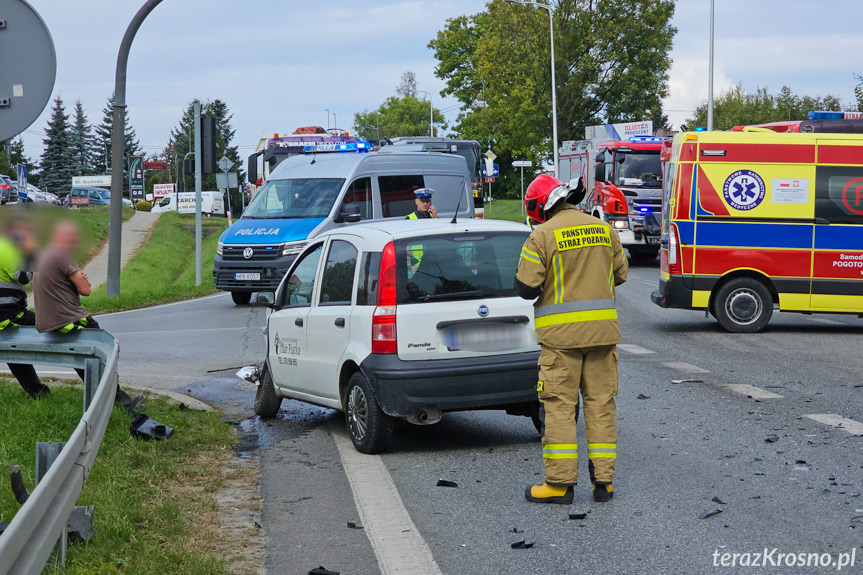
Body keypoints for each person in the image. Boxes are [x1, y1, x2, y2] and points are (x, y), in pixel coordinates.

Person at [515, 174, 628, 504]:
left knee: (560, 409)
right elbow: (620, 275)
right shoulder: (603, 229)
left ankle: (559, 486)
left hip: (561, 341)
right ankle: (604, 483)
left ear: (540, 208)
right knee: (601, 405)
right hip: (603, 336)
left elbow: (526, 287)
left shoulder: (542, 235)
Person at [33, 221, 143, 411]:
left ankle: (106, 398)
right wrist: (82, 279)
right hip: (70, 319)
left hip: (47, 323)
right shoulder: (62, 255)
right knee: (107, 353)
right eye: (72, 239)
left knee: (85, 361)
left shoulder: (43, 254)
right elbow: (86, 290)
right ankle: (122, 402)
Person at [0, 217, 52, 398]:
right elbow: (23, 276)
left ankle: (38, 393)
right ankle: (111, 394)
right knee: (67, 334)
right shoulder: (5, 248)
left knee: (13, 351)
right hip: (9, 314)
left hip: (5, 317)